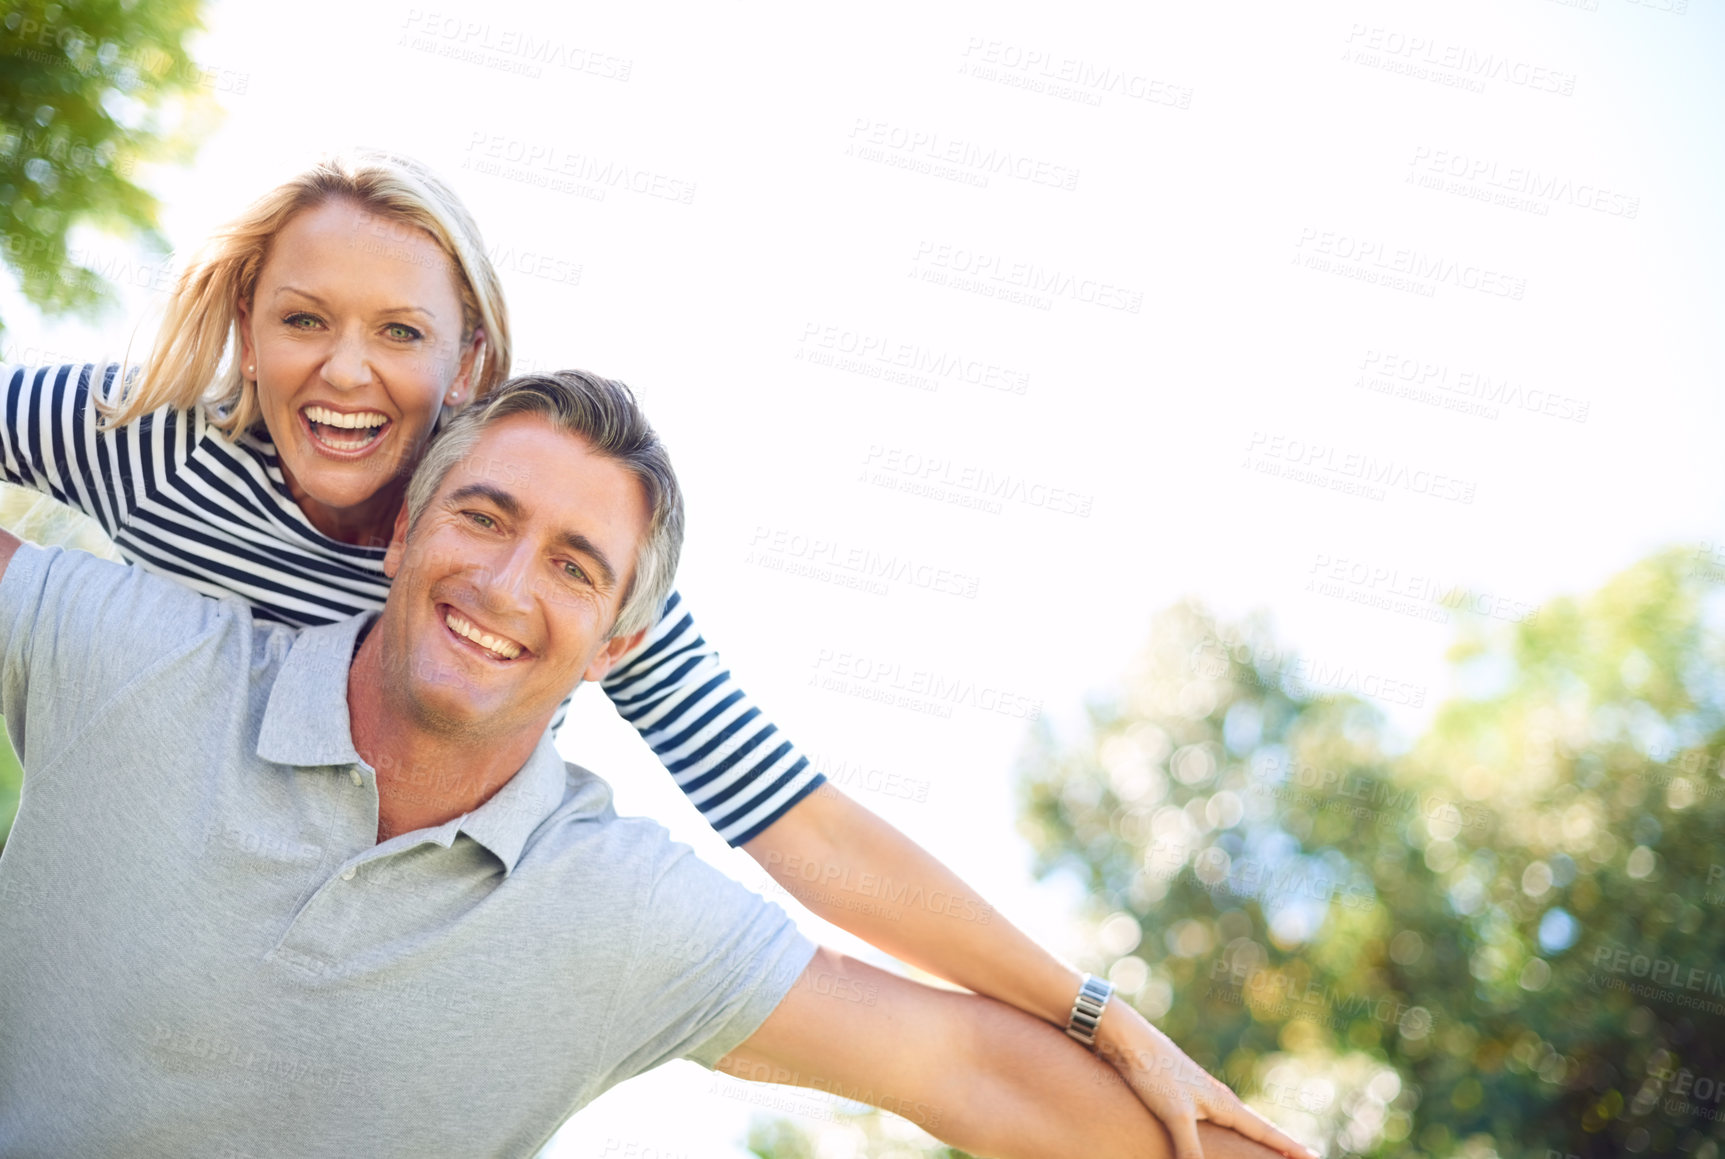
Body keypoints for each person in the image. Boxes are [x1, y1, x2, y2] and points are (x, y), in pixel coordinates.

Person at [0, 150, 1309, 1158]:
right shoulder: (139, 439)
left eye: (399, 332)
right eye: (302, 320)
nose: (347, 375)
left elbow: (806, 830)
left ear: (472, 364)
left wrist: (1099, 1016)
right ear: (242, 326)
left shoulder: (547, 554)